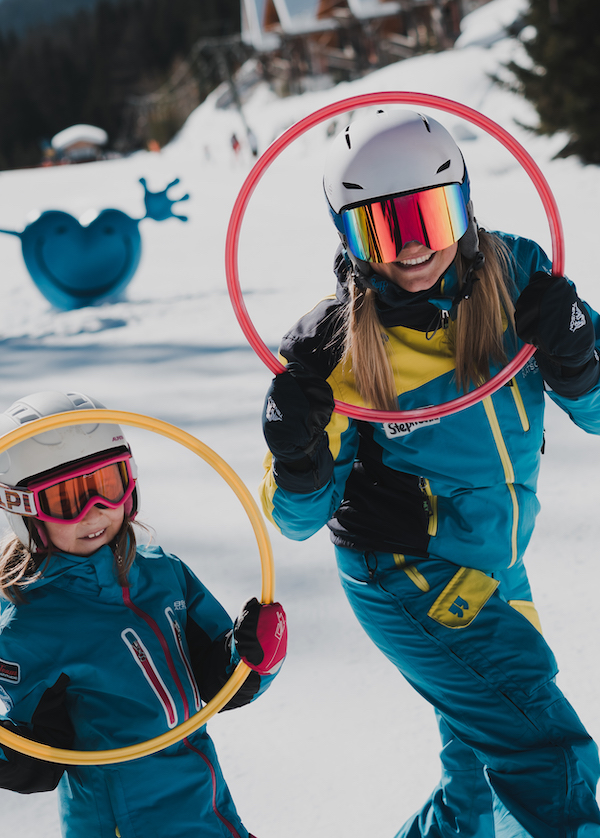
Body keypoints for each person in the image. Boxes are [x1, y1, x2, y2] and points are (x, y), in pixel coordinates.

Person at [259, 108, 600, 837]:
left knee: (478, 787)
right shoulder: (334, 349)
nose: (412, 247)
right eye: (383, 229)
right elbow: (297, 521)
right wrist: (298, 455)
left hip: (493, 558)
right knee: (544, 753)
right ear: (346, 236)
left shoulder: (520, 276)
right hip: (406, 572)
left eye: (429, 215)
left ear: (466, 205)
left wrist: (579, 362)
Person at [0, 390, 287, 838]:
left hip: (207, 809)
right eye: (66, 498)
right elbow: (32, 765)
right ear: (23, 508)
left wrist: (252, 655)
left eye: (108, 486)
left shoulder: (162, 573)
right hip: (124, 822)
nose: (94, 512)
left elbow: (217, 682)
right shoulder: (27, 623)